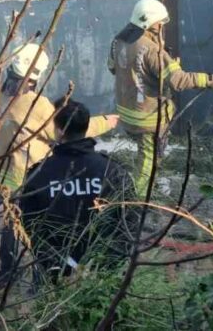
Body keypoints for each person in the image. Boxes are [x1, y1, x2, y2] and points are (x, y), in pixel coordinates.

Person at [0, 43, 118, 283]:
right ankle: (44, 276)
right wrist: (105, 122)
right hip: (33, 174)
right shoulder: (34, 103)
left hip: (4, 171)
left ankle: (7, 272)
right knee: (40, 227)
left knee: (10, 224)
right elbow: (64, 130)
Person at [109, 0, 213, 194]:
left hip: (127, 111)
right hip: (148, 117)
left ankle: (148, 187)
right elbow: (178, 80)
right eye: (160, 23)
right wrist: (210, 80)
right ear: (150, 23)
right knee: (148, 159)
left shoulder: (119, 40)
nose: (161, 26)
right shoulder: (152, 50)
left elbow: (113, 67)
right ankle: (137, 201)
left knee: (151, 155)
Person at [17, 99, 138, 282]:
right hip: (102, 276)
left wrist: (57, 261)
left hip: (53, 274)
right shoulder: (112, 171)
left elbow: (29, 226)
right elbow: (129, 222)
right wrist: (108, 264)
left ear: (58, 130)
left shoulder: (39, 175)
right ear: (86, 126)